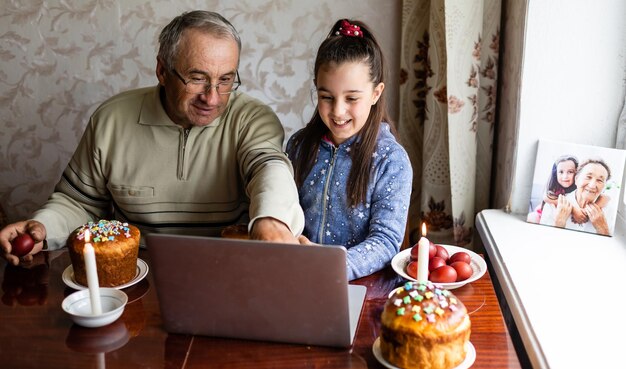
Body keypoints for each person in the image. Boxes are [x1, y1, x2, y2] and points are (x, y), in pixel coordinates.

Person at [0, 10, 304, 266]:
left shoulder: (253, 118)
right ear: (162, 70)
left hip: (228, 270)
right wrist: (42, 226)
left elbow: (269, 167)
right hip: (135, 274)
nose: (212, 98)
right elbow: (78, 202)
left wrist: (272, 221)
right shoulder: (111, 120)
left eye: (225, 80)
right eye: (197, 78)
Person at [286, 19, 412, 280]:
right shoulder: (299, 146)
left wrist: (331, 266)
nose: (338, 111)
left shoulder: (391, 160)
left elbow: (386, 241)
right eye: (326, 97)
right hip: (300, 276)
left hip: (363, 288)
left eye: (352, 98)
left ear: (376, 93)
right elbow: (284, 213)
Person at [540, 158, 615, 235]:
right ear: (576, 179)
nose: (592, 185)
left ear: (604, 186)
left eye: (600, 180)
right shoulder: (552, 206)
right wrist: (559, 224)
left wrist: (603, 229)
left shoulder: (609, 211)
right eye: (588, 177)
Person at [528, 155, 608, 224]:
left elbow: (606, 198)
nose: (565, 176)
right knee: (531, 218)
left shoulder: (581, 187)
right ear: (555, 174)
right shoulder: (554, 189)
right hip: (540, 213)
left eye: (570, 172)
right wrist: (574, 210)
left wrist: (588, 211)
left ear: (577, 174)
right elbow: (546, 197)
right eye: (561, 172)